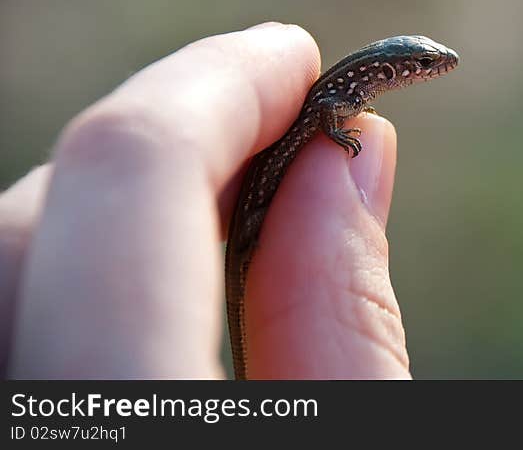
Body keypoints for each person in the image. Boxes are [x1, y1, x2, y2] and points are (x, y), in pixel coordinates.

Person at [0, 23, 410, 379]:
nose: (431, 69)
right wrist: (336, 135)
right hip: (256, 204)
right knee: (255, 244)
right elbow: (324, 108)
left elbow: (326, 107)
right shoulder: (343, 96)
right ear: (393, 70)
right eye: (425, 65)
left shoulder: (351, 91)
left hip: (263, 196)